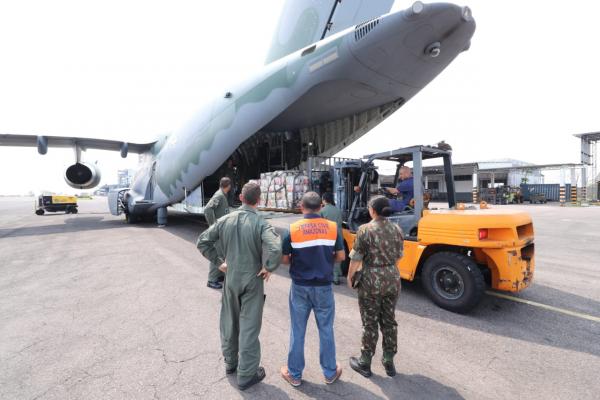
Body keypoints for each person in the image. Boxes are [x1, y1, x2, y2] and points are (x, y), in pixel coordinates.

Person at [196, 182, 282, 391]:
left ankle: (230, 364)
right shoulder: (261, 223)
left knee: (229, 321)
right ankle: (246, 374)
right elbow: (275, 246)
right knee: (249, 326)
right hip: (253, 280)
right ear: (259, 200)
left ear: (241, 198)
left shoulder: (225, 219)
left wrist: (219, 262)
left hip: (231, 277)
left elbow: (202, 241)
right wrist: (268, 267)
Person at [280, 192, 345, 387]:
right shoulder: (332, 228)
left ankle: (294, 374)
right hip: (324, 287)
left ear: (302, 207)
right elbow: (341, 256)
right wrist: (325, 262)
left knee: (297, 330)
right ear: (320, 207)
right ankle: (329, 372)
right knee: (326, 329)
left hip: (300, 286)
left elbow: (284, 260)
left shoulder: (293, 228)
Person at [347, 196, 404, 378]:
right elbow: (399, 256)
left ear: (372, 210)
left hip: (371, 280)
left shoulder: (365, 230)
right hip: (392, 278)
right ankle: (388, 360)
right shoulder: (397, 229)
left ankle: (365, 362)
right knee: (389, 321)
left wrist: (350, 277)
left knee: (369, 322)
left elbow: (356, 259)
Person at [204, 177, 232, 289]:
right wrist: (213, 225)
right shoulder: (219, 195)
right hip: (218, 231)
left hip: (222, 230)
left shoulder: (222, 195)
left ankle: (219, 275)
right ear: (228, 186)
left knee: (222, 254)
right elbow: (207, 209)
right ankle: (211, 280)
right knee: (217, 254)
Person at [319, 192, 344, 285]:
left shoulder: (322, 210)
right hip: (339, 235)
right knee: (338, 255)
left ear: (324, 200)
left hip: (328, 235)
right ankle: (337, 275)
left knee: (327, 256)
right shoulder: (338, 210)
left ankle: (330, 275)